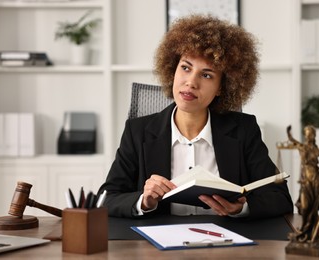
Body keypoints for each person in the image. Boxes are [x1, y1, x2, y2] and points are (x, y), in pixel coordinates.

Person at [98, 14, 293, 219]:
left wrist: (240, 208)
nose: (191, 82)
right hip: (158, 247)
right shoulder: (137, 131)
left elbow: (279, 198)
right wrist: (143, 201)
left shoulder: (244, 130)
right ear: (172, 70)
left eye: (207, 75)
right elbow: (106, 198)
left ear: (222, 87)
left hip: (226, 245)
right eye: (185, 68)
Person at [278, 125, 319, 243]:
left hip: (316, 181)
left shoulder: (318, 151)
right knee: (305, 207)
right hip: (305, 182)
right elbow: (292, 140)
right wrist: (288, 133)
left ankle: (313, 234)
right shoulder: (302, 147)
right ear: (305, 135)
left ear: (314, 135)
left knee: (314, 209)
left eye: (311, 133)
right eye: (307, 133)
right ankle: (304, 231)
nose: (309, 135)